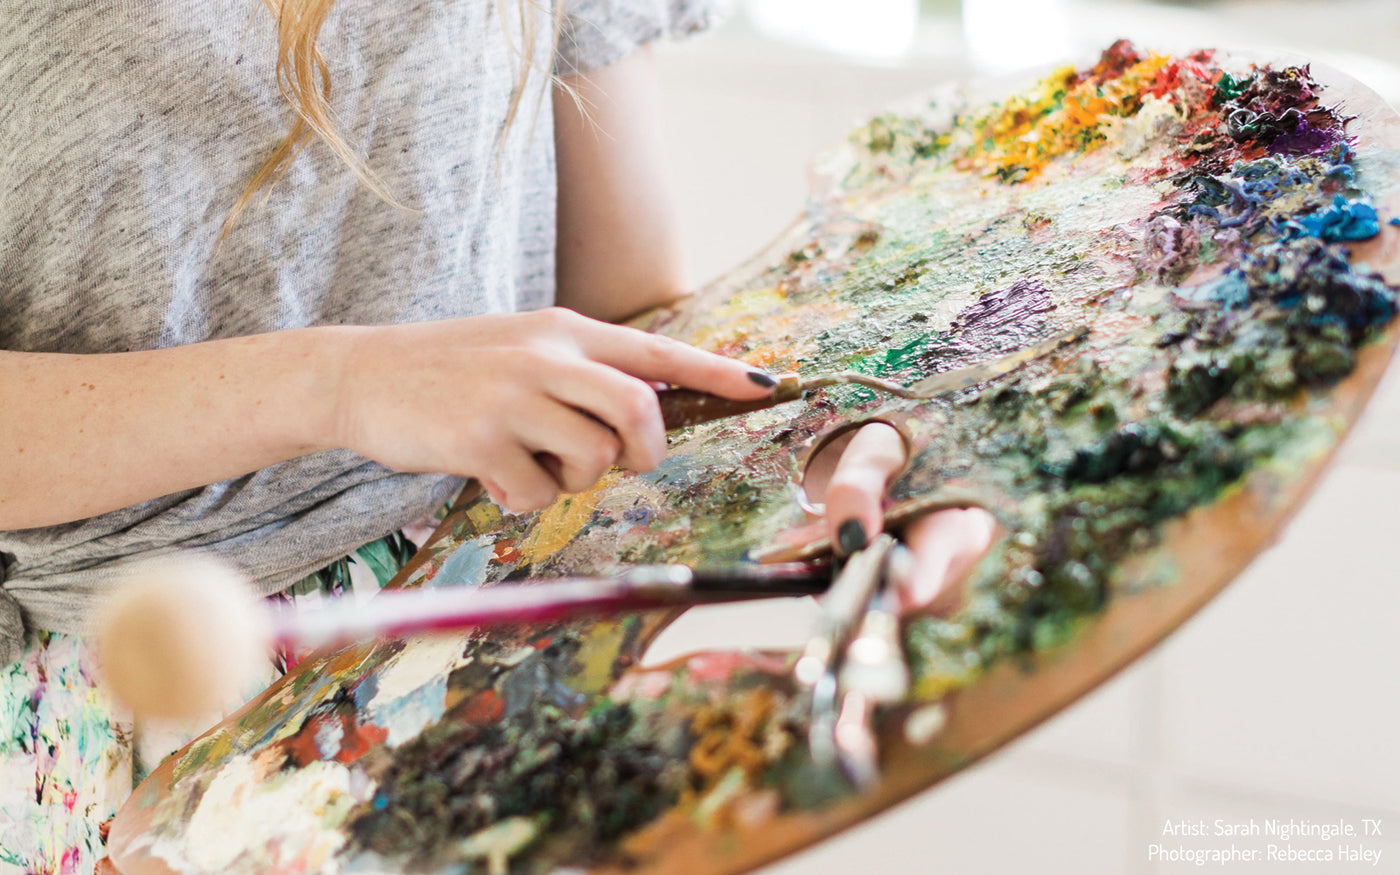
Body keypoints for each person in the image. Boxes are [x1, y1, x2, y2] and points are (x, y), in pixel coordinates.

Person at [0, 1, 992, 871]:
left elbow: (632, 312)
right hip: (140, 714)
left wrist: (819, 440)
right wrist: (341, 382)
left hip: (502, 638)